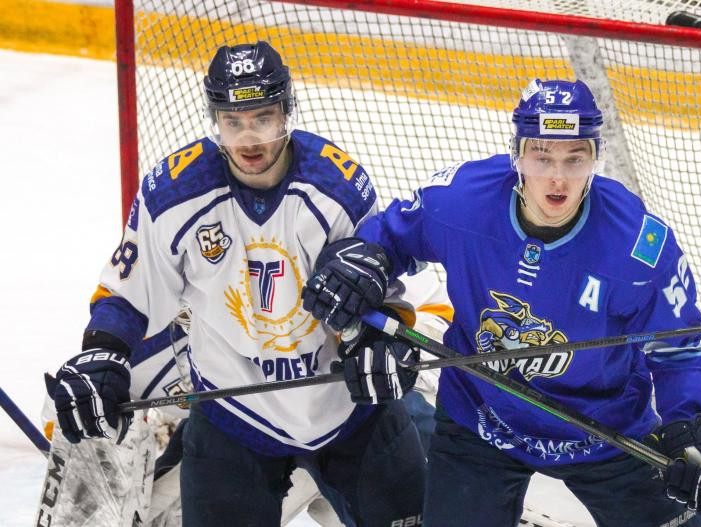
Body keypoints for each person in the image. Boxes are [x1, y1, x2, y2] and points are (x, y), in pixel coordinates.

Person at [302, 79, 701, 526]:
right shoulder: (462, 201)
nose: (558, 178)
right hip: (481, 419)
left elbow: (680, 347)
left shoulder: (638, 247)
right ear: (518, 155)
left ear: (595, 159)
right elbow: (388, 241)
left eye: (575, 158)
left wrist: (684, 426)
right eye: (542, 156)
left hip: (607, 433)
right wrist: (361, 273)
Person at [44, 41, 427, 527]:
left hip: (347, 412)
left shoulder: (337, 189)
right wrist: (103, 351)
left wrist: (378, 341)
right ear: (215, 120)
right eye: (233, 121)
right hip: (232, 414)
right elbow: (128, 291)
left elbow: (379, 292)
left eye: (263, 118)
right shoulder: (176, 192)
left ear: (286, 111)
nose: (248, 138)